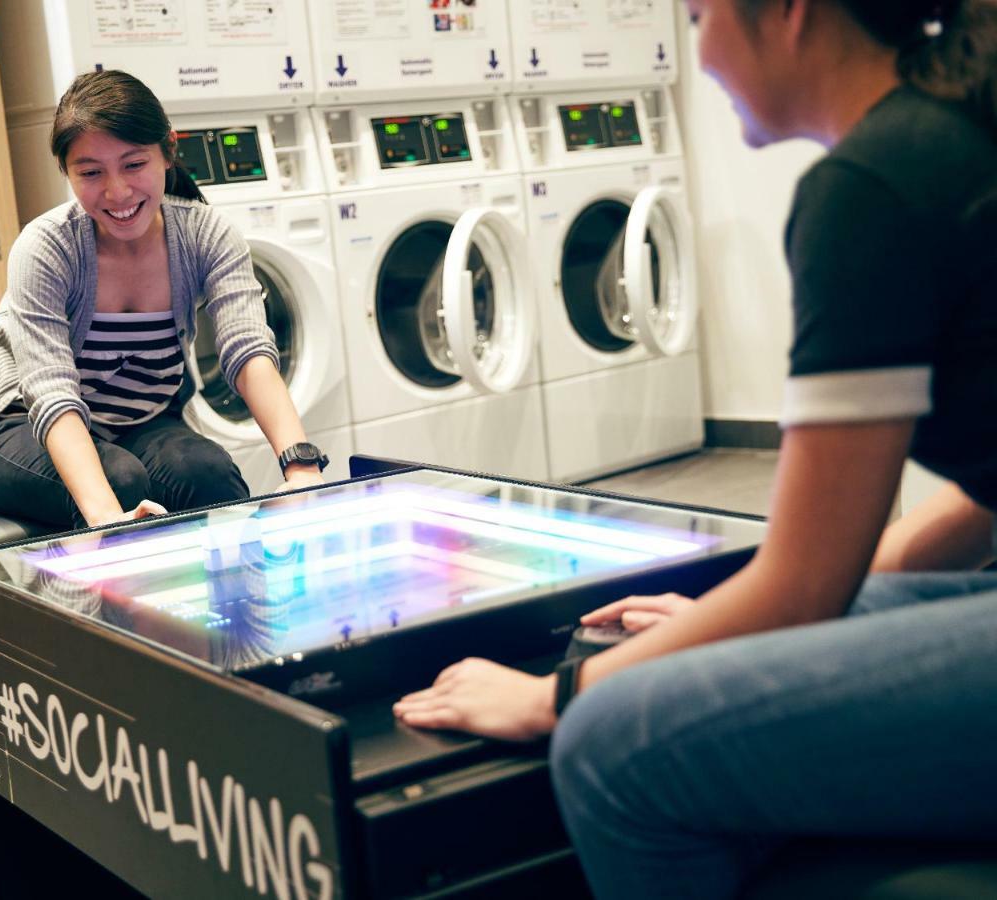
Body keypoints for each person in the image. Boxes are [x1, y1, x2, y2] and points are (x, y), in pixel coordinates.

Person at [392, 0, 997, 895]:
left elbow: (801, 587)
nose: (698, 53)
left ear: (788, 14)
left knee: (607, 745)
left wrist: (553, 697)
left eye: (701, 16)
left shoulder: (869, 186)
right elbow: (978, 505)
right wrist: (727, 635)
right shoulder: (950, 134)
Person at [0, 70, 327, 529]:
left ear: (167, 151)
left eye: (133, 164)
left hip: (139, 420)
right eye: (91, 173)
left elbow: (248, 350)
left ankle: (231, 600)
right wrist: (106, 519)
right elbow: (51, 394)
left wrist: (301, 467)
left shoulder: (205, 235)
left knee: (209, 474)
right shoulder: (47, 248)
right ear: (67, 173)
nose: (117, 192)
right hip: (20, 426)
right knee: (119, 480)